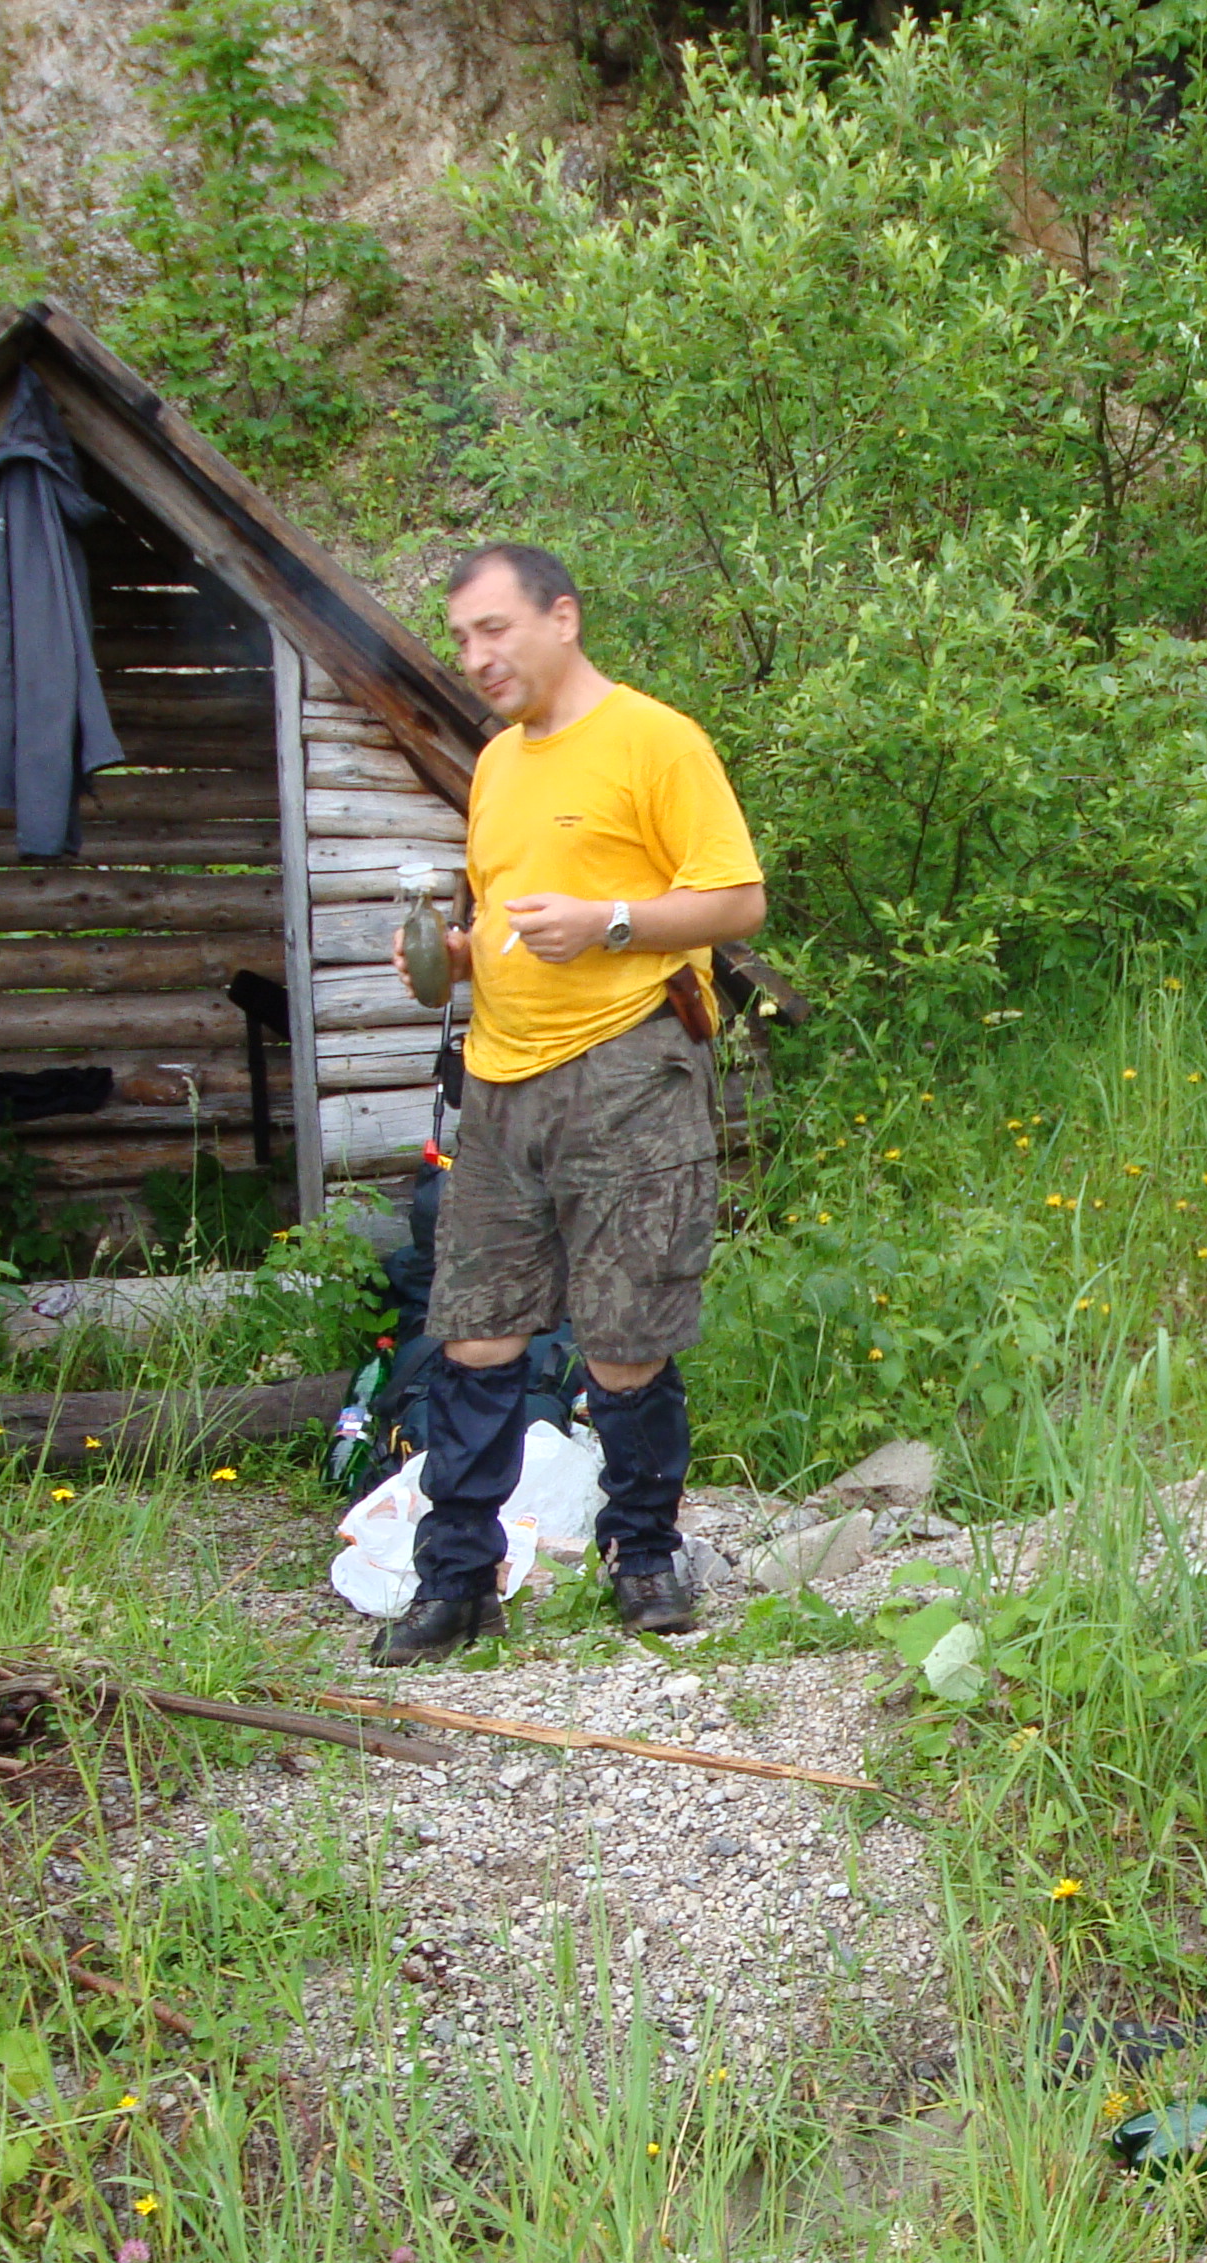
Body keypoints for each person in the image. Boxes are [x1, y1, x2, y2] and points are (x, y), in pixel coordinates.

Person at [368, 543, 770, 1667]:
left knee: (627, 1337)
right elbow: (502, 918)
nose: (476, 656)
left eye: (494, 629)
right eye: (462, 638)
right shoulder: (497, 764)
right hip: (500, 1079)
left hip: (629, 1067)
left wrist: (611, 924)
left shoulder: (655, 740)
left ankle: (642, 1557)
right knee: (475, 1332)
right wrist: (453, 957)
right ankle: (457, 1583)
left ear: (563, 618)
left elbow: (739, 900)